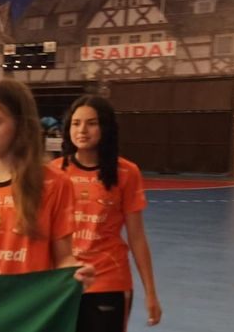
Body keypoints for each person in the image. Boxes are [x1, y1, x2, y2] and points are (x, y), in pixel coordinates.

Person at [0, 79, 94, 287]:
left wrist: (76, 273)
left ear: (20, 125)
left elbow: (63, 257)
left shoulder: (55, 184)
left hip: (27, 303)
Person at [53, 96, 161, 330]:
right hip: (64, 282)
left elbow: (137, 237)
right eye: (76, 123)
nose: (82, 130)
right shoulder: (54, 172)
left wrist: (151, 292)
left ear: (105, 127)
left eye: (91, 123)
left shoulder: (127, 172)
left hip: (109, 281)